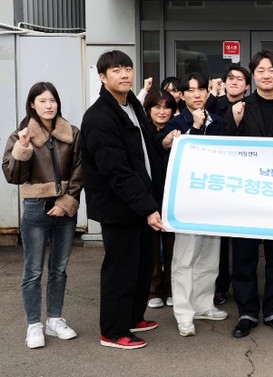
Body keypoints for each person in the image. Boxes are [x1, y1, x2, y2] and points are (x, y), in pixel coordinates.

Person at [81, 50, 167, 350]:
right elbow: (116, 170)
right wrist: (148, 208)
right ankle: (113, 331)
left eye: (128, 68)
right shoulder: (99, 116)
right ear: (102, 77)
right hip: (119, 207)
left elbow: (144, 147)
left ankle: (132, 317)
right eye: (116, 70)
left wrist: (164, 141)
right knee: (120, 269)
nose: (125, 74)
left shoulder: (132, 105)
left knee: (142, 265)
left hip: (140, 203)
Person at [224, 51, 273, 339]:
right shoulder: (240, 108)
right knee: (244, 256)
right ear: (253, 76)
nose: (266, 75)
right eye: (260, 70)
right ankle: (246, 312)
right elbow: (225, 149)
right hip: (246, 195)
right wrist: (233, 122)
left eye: (271, 70)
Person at [3, 82, 82, 349]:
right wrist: (23, 148)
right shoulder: (21, 135)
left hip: (65, 208)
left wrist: (66, 201)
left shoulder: (71, 133)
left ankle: (55, 319)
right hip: (35, 207)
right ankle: (34, 324)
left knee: (59, 269)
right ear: (32, 105)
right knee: (33, 270)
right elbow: (13, 176)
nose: (49, 106)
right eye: (43, 101)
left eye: (53, 100)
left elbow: (80, 170)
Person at [164, 72, 228, 337]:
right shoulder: (175, 123)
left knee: (209, 257)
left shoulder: (219, 122)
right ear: (182, 95)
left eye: (201, 89)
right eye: (190, 90)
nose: (197, 94)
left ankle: (203, 305)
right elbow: (175, 154)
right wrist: (195, 127)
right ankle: (184, 313)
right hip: (186, 202)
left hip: (212, 200)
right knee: (184, 259)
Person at [205, 64, 251, 306]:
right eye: (230, 78)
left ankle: (245, 289)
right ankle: (219, 286)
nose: (234, 82)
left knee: (243, 241)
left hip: (246, 180)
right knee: (219, 242)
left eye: (239, 79)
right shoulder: (213, 105)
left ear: (247, 85)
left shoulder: (252, 107)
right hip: (219, 179)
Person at [143, 90, 178, 310]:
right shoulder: (142, 131)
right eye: (157, 107)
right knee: (152, 247)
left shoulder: (178, 131)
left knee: (174, 246)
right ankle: (153, 289)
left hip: (173, 198)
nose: (162, 111)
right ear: (148, 109)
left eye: (167, 107)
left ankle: (171, 288)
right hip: (150, 197)